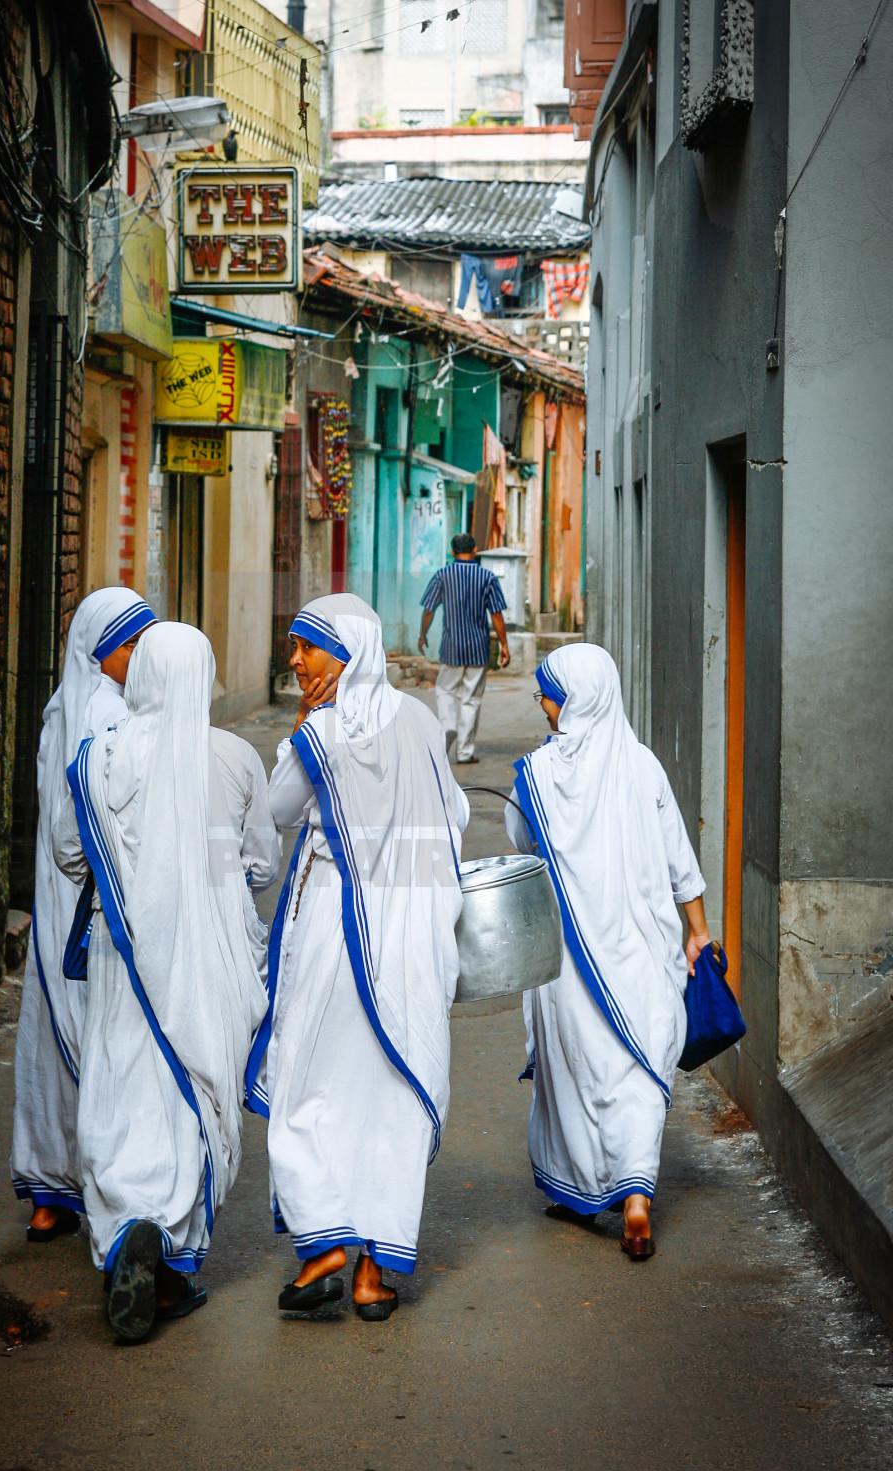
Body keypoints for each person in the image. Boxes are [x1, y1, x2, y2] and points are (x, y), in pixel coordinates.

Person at [54, 622, 276, 1341]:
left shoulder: (100, 759)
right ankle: (170, 1257)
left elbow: (65, 854)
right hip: (210, 954)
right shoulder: (236, 756)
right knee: (194, 1089)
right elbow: (262, 863)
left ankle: (125, 1225)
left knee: (122, 1083)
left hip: (126, 954)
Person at [252, 593, 469, 1320]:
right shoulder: (417, 719)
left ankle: (322, 1249)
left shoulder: (322, 730)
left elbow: (276, 812)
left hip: (335, 928)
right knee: (392, 1095)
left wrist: (299, 733)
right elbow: (457, 814)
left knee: (309, 1082)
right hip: (411, 934)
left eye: (307, 647)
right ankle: (376, 1276)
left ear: (345, 656)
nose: (295, 659)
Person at [506, 644, 711, 1260]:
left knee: (576, 1070)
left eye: (548, 692)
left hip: (571, 960)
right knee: (638, 1069)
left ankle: (580, 1189)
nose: (541, 703)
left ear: (575, 699)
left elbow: (520, 844)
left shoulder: (539, 775)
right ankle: (638, 1193)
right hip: (643, 951)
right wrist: (697, 932)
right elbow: (680, 858)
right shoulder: (642, 765)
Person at [10, 587, 157, 1241]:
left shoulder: (61, 711)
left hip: (60, 897)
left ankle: (49, 1192)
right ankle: (110, 1193)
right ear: (98, 654)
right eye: (131, 645)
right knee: (106, 1041)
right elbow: (81, 833)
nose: (142, 657)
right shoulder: (110, 715)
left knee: (54, 1034)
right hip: (95, 899)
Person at [418, 533, 510, 765]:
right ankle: (465, 752)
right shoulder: (487, 577)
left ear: (452, 552)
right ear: (475, 549)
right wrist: (504, 644)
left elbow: (429, 609)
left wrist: (422, 635)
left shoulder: (443, 575)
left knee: (445, 690)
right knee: (471, 699)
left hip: (452, 646)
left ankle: (447, 726)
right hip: (478, 647)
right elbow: (497, 613)